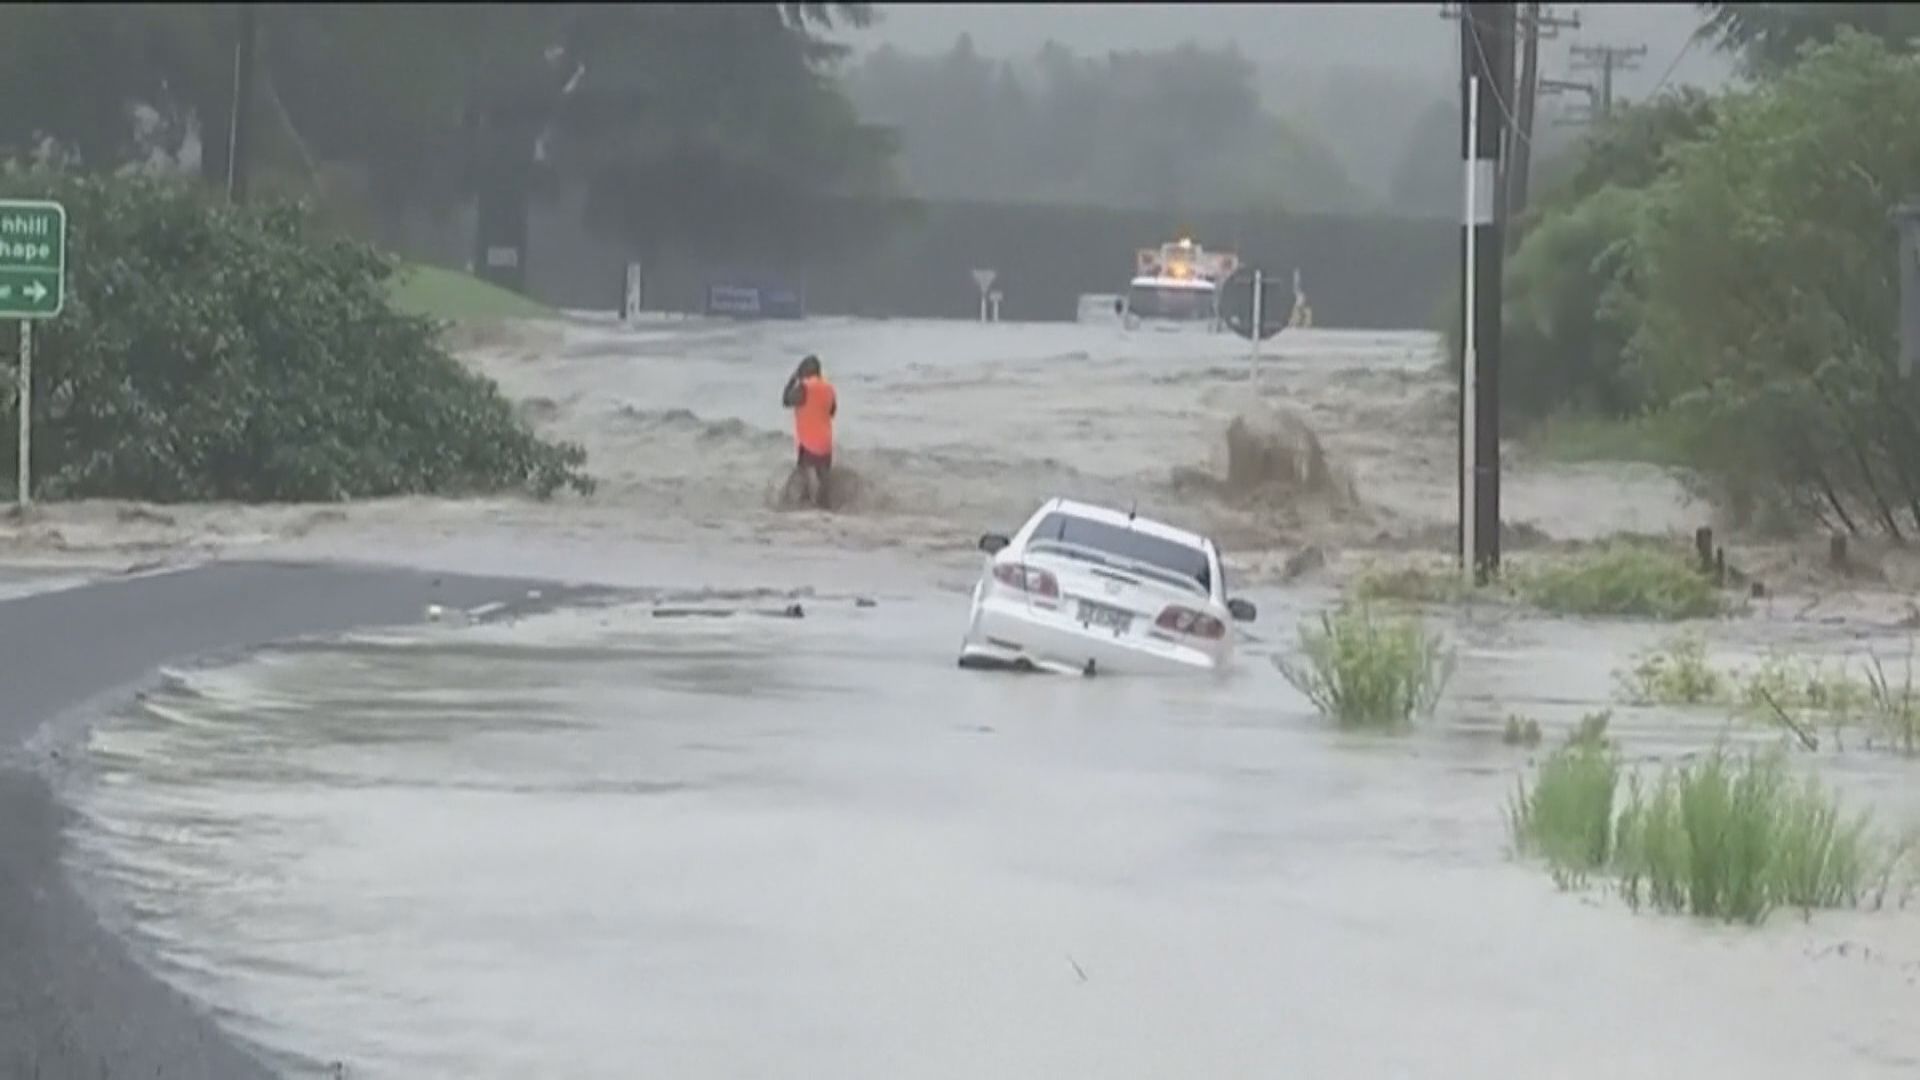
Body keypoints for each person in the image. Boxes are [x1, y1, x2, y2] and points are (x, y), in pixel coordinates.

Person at [781, 354, 837, 508]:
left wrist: (792, 380)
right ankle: (826, 510)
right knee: (824, 481)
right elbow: (832, 412)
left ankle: (804, 510)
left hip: (808, 443)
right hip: (826, 444)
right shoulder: (829, 389)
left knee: (804, 481)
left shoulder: (804, 387)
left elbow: (786, 401)